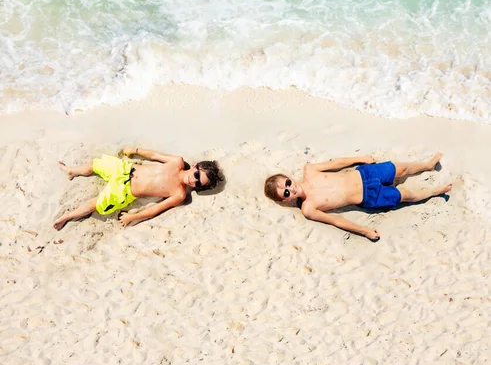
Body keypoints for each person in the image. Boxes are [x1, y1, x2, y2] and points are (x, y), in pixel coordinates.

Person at [264, 153, 451, 242]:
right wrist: (364, 231)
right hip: (369, 196)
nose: (291, 188)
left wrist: (358, 159)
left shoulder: (310, 170)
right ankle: (434, 192)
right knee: (406, 195)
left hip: (366, 174)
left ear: (288, 177)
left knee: (400, 169)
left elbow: (336, 161)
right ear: (285, 200)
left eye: (287, 183)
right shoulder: (308, 208)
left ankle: (426, 165)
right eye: (286, 193)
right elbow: (335, 220)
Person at [54, 147, 224, 230]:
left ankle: (67, 217)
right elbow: (154, 155)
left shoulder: (179, 193)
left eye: (199, 184)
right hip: (126, 169)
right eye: (197, 175)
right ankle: (72, 171)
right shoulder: (177, 162)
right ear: (195, 166)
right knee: (94, 164)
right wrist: (135, 150)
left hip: (125, 190)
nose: (194, 181)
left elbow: (156, 209)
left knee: (95, 205)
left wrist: (132, 217)